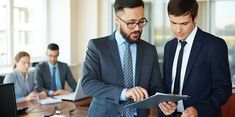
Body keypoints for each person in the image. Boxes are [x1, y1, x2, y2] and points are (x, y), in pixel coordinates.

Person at [81, 0, 165, 117]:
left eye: (141, 22)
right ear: (117, 20)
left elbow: (156, 87)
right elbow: (88, 83)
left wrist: (163, 101)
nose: (137, 28)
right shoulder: (97, 46)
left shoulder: (150, 50)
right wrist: (124, 93)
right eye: (131, 23)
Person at [159, 0, 232, 117]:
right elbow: (167, 84)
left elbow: (223, 89)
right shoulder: (169, 46)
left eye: (184, 24)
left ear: (195, 18)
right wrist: (164, 103)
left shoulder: (214, 45)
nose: (178, 30)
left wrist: (198, 110)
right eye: (173, 23)